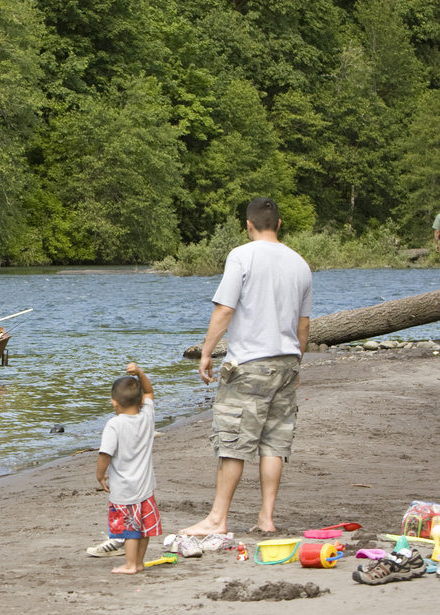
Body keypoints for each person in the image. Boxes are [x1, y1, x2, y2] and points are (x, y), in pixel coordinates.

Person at [181, 197, 313, 537]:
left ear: (249, 225)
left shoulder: (241, 255)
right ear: (279, 224)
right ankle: (266, 517)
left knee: (233, 442)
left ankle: (217, 519)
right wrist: (296, 364)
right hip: (285, 363)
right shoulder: (300, 264)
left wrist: (207, 352)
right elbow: (304, 326)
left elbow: (225, 310)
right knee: (274, 444)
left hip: (249, 364)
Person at [96, 363, 161, 574]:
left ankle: (130, 564)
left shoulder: (114, 425)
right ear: (139, 400)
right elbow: (150, 391)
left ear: (114, 403)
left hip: (125, 489)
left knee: (130, 530)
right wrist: (140, 372)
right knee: (143, 528)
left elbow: (105, 454)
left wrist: (100, 476)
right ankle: (139, 562)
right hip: (146, 486)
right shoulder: (147, 417)